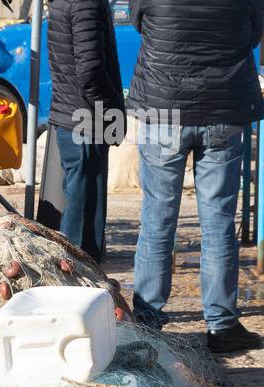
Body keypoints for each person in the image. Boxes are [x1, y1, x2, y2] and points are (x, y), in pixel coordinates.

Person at [130, 0, 264, 354]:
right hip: (223, 105)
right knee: (218, 220)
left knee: (157, 218)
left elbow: (139, 21)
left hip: (164, 108)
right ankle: (221, 325)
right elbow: (254, 32)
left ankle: (147, 319)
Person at [47, 0, 126, 262]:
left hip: (77, 118)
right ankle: (76, 285)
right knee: (82, 222)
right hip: (84, 122)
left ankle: (79, 279)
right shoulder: (85, 4)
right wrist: (113, 110)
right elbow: (90, 73)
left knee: (82, 210)